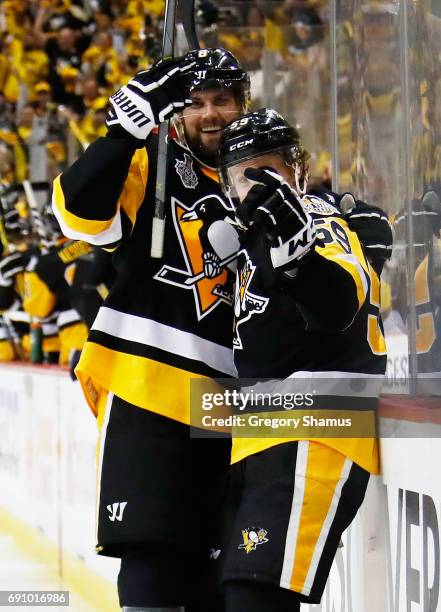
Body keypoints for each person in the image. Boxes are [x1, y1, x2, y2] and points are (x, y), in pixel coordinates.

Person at [51, 48, 250, 612]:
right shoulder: (152, 164)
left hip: (232, 401)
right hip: (149, 385)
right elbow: (76, 215)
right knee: (153, 553)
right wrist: (122, 132)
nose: (211, 114)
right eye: (197, 104)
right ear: (176, 112)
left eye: (223, 101)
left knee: (222, 563)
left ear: (242, 106)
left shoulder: (263, 174)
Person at [215, 108, 390, 611]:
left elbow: (337, 304)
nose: (259, 183)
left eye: (269, 169)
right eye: (244, 174)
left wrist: (300, 260)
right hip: (266, 433)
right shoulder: (248, 234)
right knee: (239, 594)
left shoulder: (316, 216)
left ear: (297, 168)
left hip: (314, 426)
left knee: (255, 598)